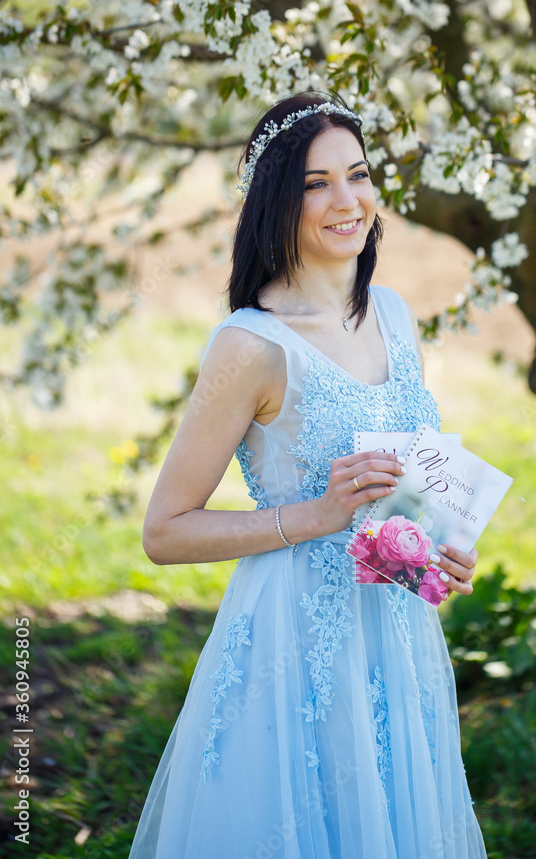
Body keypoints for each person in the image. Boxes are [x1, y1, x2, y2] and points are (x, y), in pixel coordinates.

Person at [128, 91, 485, 859]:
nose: (346, 200)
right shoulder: (250, 347)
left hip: (394, 636)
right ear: (275, 202)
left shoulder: (391, 314)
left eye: (356, 175)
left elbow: (411, 482)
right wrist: (316, 516)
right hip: (292, 648)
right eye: (315, 183)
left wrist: (441, 546)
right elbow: (164, 531)